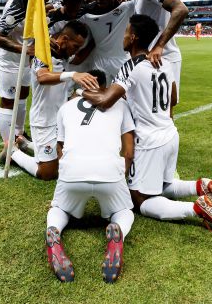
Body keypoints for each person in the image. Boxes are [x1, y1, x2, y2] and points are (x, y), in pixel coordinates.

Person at [83, 15, 212, 237]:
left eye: (125, 32)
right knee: (163, 184)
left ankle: (197, 208)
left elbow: (106, 101)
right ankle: (200, 186)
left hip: (149, 141)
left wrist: (82, 92)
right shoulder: (164, 61)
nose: (123, 37)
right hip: (170, 134)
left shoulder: (130, 67)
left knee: (140, 199)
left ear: (133, 37)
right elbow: (173, 96)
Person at [45, 69, 136, 283]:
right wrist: (120, 175)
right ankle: (118, 231)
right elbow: (129, 151)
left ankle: (53, 229)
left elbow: (61, 149)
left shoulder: (66, 108)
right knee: (124, 212)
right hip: (110, 173)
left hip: (72, 174)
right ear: (106, 86)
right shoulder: (121, 104)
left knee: (59, 209)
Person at [5, 20, 99, 181]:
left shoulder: (64, 55)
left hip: (60, 120)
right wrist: (73, 75)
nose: (75, 51)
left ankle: (25, 144)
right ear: (64, 39)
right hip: (44, 121)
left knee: (67, 163)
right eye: (75, 46)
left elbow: (80, 55)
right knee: (48, 173)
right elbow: (42, 77)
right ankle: (11, 152)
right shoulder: (43, 52)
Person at [107, 0, 189, 105]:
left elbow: (181, 9)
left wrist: (159, 46)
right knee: (145, 107)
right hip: (148, 58)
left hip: (163, 57)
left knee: (165, 108)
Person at [0, 0, 52, 150]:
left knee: (23, 94)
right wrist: (27, 49)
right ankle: (8, 144)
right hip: (9, 59)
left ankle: (18, 133)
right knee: (9, 99)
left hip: (25, 57)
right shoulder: (17, 9)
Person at [74, 0, 134, 79]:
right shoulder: (86, 12)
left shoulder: (126, 6)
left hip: (123, 60)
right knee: (99, 94)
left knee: (128, 94)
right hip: (99, 62)